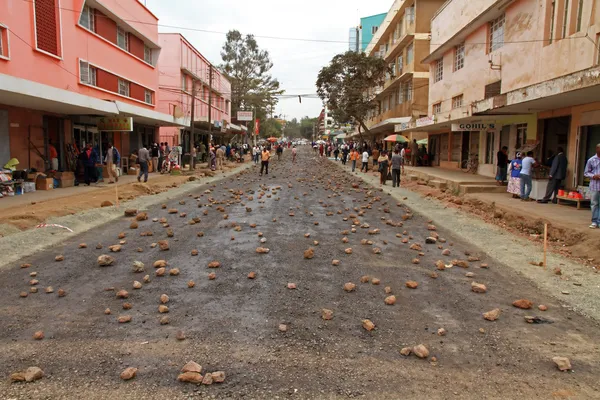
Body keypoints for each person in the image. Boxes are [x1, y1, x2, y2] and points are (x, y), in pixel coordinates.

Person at [584, 143, 600, 228]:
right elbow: (586, 173)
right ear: (597, 149)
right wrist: (594, 176)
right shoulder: (591, 160)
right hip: (595, 185)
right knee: (594, 203)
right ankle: (594, 221)